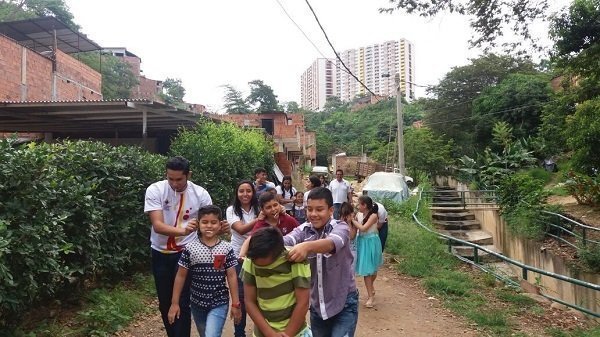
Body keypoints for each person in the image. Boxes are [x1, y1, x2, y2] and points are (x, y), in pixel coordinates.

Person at [284, 187, 358, 337]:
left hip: (345, 303)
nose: (313, 214)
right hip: (317, 307)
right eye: (309, 209)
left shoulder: (341, 227)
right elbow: (285, 240)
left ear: (330, 210)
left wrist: (307, 246)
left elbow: (332, 243)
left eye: (319, 209)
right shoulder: (302, 230)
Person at [168, 205, 241, 337]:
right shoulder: (190, 248)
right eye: (205, 222)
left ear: (220, 224)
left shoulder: (226, 248)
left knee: (211, 335)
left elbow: (231, 276)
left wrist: (236, 304)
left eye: (213, 222)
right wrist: (174, 303)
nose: (209, 226)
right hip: (197, 303)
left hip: (219, 302)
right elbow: (180, 276)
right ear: (198, 224)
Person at [241, 227, 312, 337]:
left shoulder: (296, 260)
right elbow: (249, 301)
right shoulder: (250, 260)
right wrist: (270, 334)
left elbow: (303, 303)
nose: (256, 265)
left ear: (277, 255)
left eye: (263, 265)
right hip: (263, 333)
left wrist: (288, 334)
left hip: (296, 332)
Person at [226, 180, 262, 336]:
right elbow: (240, 230)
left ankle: (263, 330)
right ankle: (239, 333)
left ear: (253, 193)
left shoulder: (259, 208)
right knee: (240, 297)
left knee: (262, 295)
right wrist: (259, 219)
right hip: (237, 257)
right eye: (241, 191)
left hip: (259, 256)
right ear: (236, 193)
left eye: (248, 191)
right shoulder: (231, 210)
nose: (245, 194)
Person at [354, 196, 383, 308]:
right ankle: (371, 296)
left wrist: (352, 219)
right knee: (367, 271)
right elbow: (356, 228)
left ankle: (371, 288)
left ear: (364, 205)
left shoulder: (373, 216)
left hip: (372, 242)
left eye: (359, 204)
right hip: (362, 242)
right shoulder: (358, 215)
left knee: (374, 270)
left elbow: (363, 228)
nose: (357, 206)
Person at [339, 202, 358, 271]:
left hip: (352, 250)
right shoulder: (339, 222)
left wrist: (350, 222)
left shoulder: (354, 222)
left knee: (351, 273)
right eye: (344, 215)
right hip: (342, 251)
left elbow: (352, 236)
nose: (345, 217)